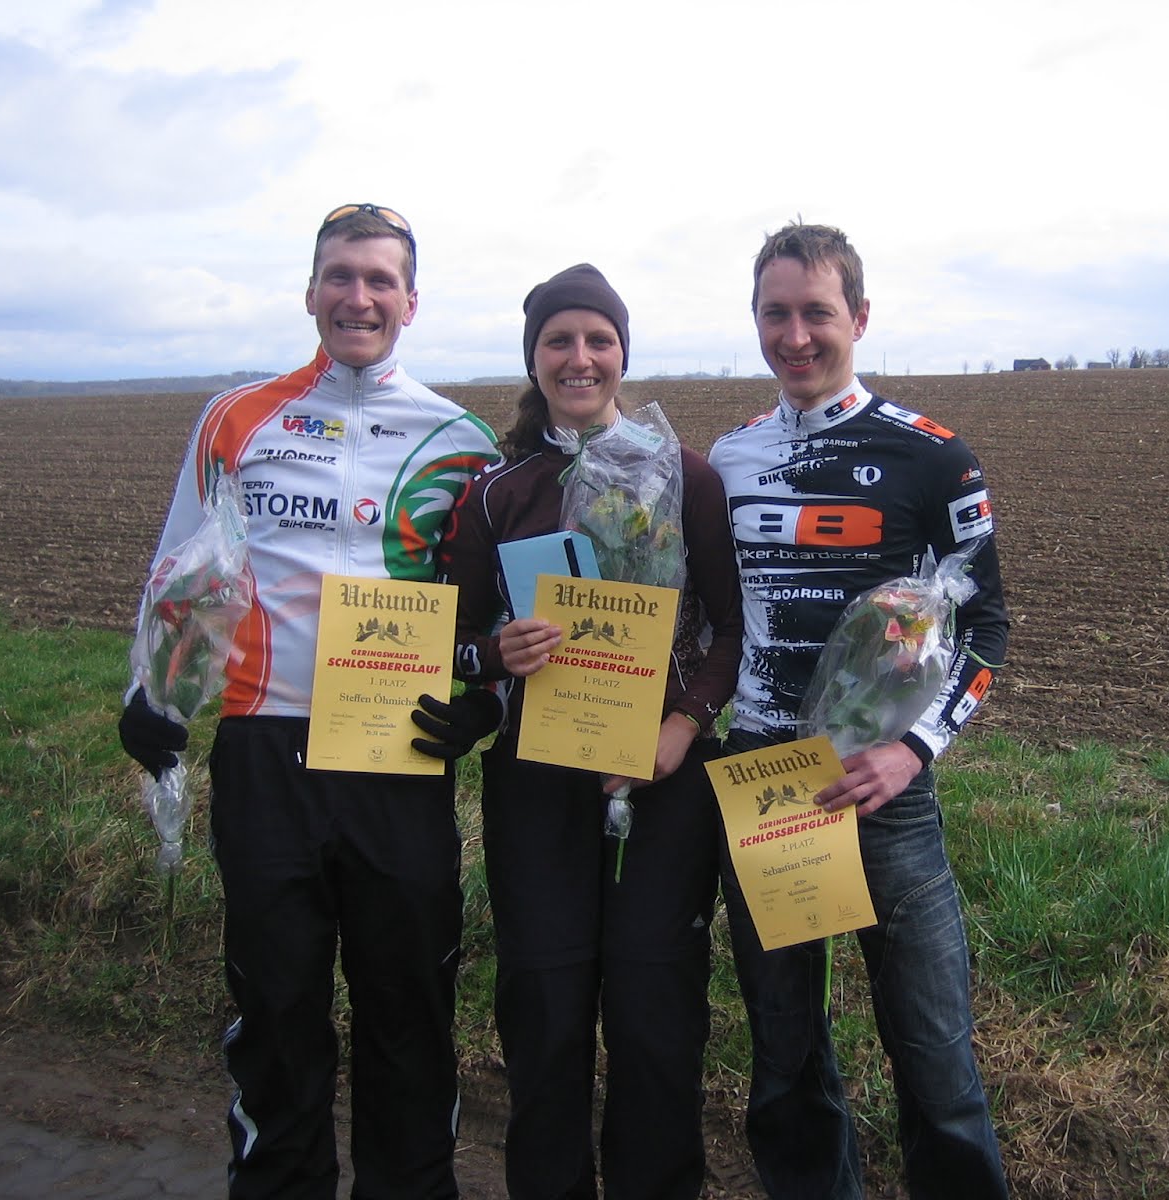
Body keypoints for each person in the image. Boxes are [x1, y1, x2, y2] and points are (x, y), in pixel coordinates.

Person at [117, 203, 502, 1199]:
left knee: (408, 1015)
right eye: (339, 275)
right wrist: (149, 690)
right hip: (264, 754)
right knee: (278, 1012)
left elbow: (495, 612)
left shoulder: (462, 441)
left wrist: (486, 703)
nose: (357, 297)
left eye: (379, 280)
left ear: (410, 302)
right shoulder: (236, 417)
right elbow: (180, 564)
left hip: (397, 759)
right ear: (309, 292)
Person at [707, 222, 1013, 1200]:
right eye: (775, 314)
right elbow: (708, 618)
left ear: (860, 317)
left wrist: (913, 751)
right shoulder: (729, 459)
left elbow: (986, 628)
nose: (794, 336)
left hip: (884, 791)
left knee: (934, 1056)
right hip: (766, 779)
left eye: (817, 313)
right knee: (786, 1057)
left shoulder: (933, 457)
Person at [436, 263, 743, 1199]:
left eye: (599, 340)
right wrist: (495, 655)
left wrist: (685, 724)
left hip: (663, 777)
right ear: (533, 358)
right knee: (544, 1010)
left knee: (657, 1016)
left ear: (622, 354)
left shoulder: (683, 474)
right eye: (558, 340)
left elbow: (730, 630)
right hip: (537, 781)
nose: (580, 357)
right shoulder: (498, 490)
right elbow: (449, 638)